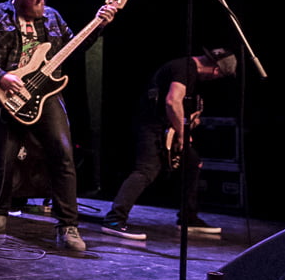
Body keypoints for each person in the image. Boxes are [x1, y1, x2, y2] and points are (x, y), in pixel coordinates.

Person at [0, 0, 117, 252]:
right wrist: (1, 76)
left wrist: (99, 24)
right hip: (9, 93)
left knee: (63, 154)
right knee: (3, 157)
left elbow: (75, 46)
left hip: (48, 94)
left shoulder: (53, 17)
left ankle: (68, 226)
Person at [100, 48, 238, 239]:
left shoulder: (187, 69)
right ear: (216, 70)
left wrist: (189, 121)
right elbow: (172, 101)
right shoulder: (185, 69)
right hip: (151, 125)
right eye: (219, 75)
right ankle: (114, 220)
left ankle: (188, 218)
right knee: (146, 170)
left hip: (161, 125)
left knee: (192, 163)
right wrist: (182, 134)